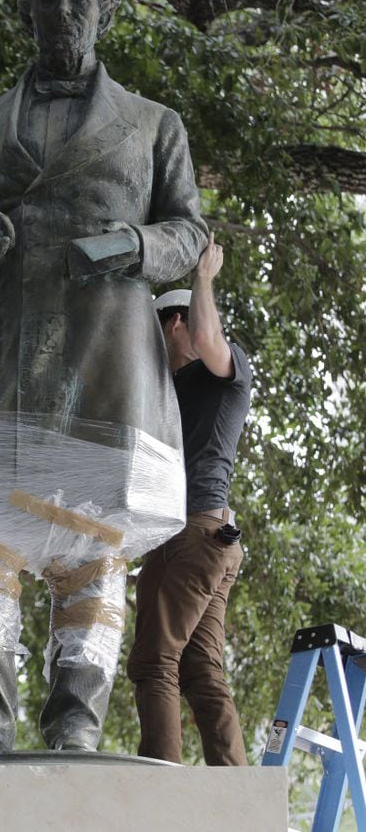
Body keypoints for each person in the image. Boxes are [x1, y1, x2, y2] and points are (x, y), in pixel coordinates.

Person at [0, 0, 207, 755]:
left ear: (104, 10)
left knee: (92, 549)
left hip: (106, 366)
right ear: (25, 15)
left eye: (78, 0)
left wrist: (132, 246)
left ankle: (75, 721)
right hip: (5, 362)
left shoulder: (154, 125)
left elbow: (189, 231)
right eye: (46, 1)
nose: (63, 15)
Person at [126, 233, 251, 765]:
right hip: (210, 541)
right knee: (201, 670)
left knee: (154, 662)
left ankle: (159, 790)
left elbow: (207, 335)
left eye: (156, 335)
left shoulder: (223, 375)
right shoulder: (166, 397)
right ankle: (238, 793)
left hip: (192, 536)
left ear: (174, 324)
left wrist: (202, 279)